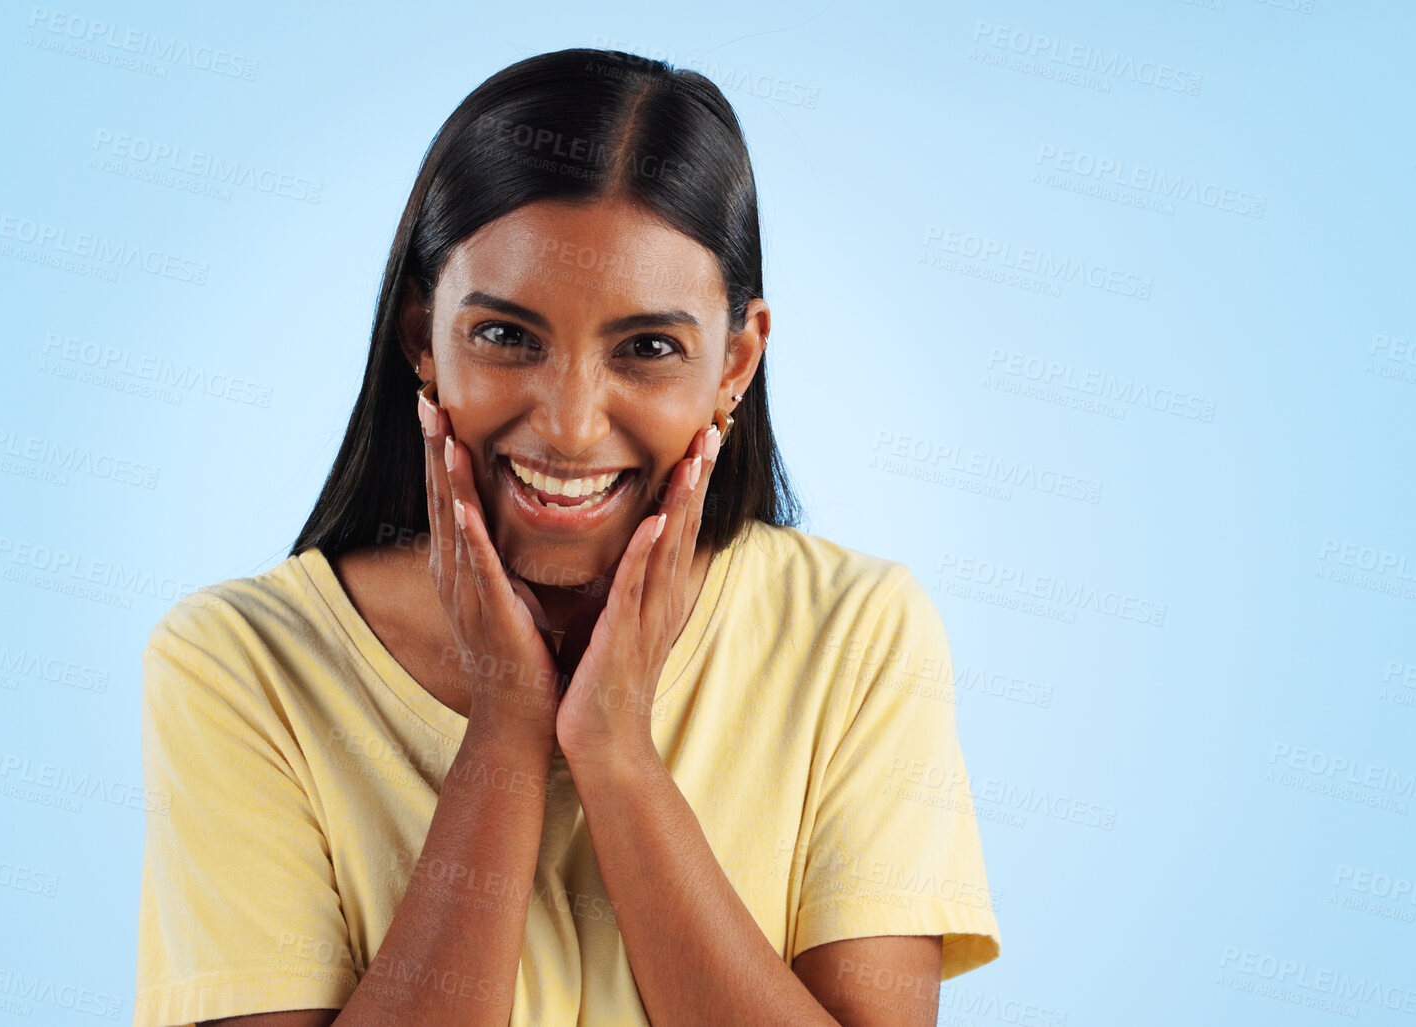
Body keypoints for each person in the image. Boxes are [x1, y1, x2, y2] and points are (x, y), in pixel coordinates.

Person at [132, 47, 1001, 1027]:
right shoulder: (242, 663)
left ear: (736, 360)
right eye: (506, 336)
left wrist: (617, 751)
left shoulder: (855, 632)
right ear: (424, 336)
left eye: (648, 348)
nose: (571, 424)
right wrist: (505, 728)